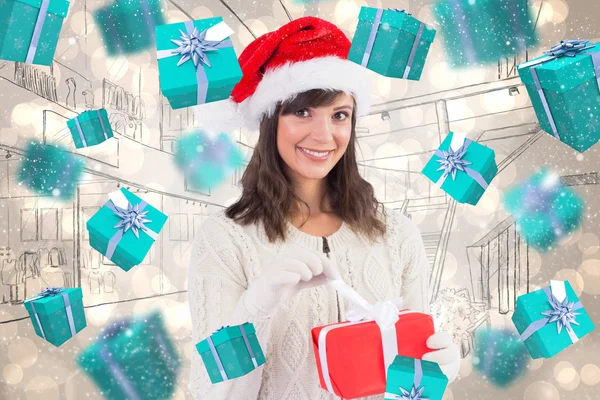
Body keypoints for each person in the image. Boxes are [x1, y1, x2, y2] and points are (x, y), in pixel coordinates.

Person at [188, 16, 460, 400]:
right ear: (270, 120)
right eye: (302, 112)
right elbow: (214, 394)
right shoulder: (225, 239)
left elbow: (410, 386)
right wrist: (257, 306)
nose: (324, 135)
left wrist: (437, 376)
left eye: (339, 115)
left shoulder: (396, 234)